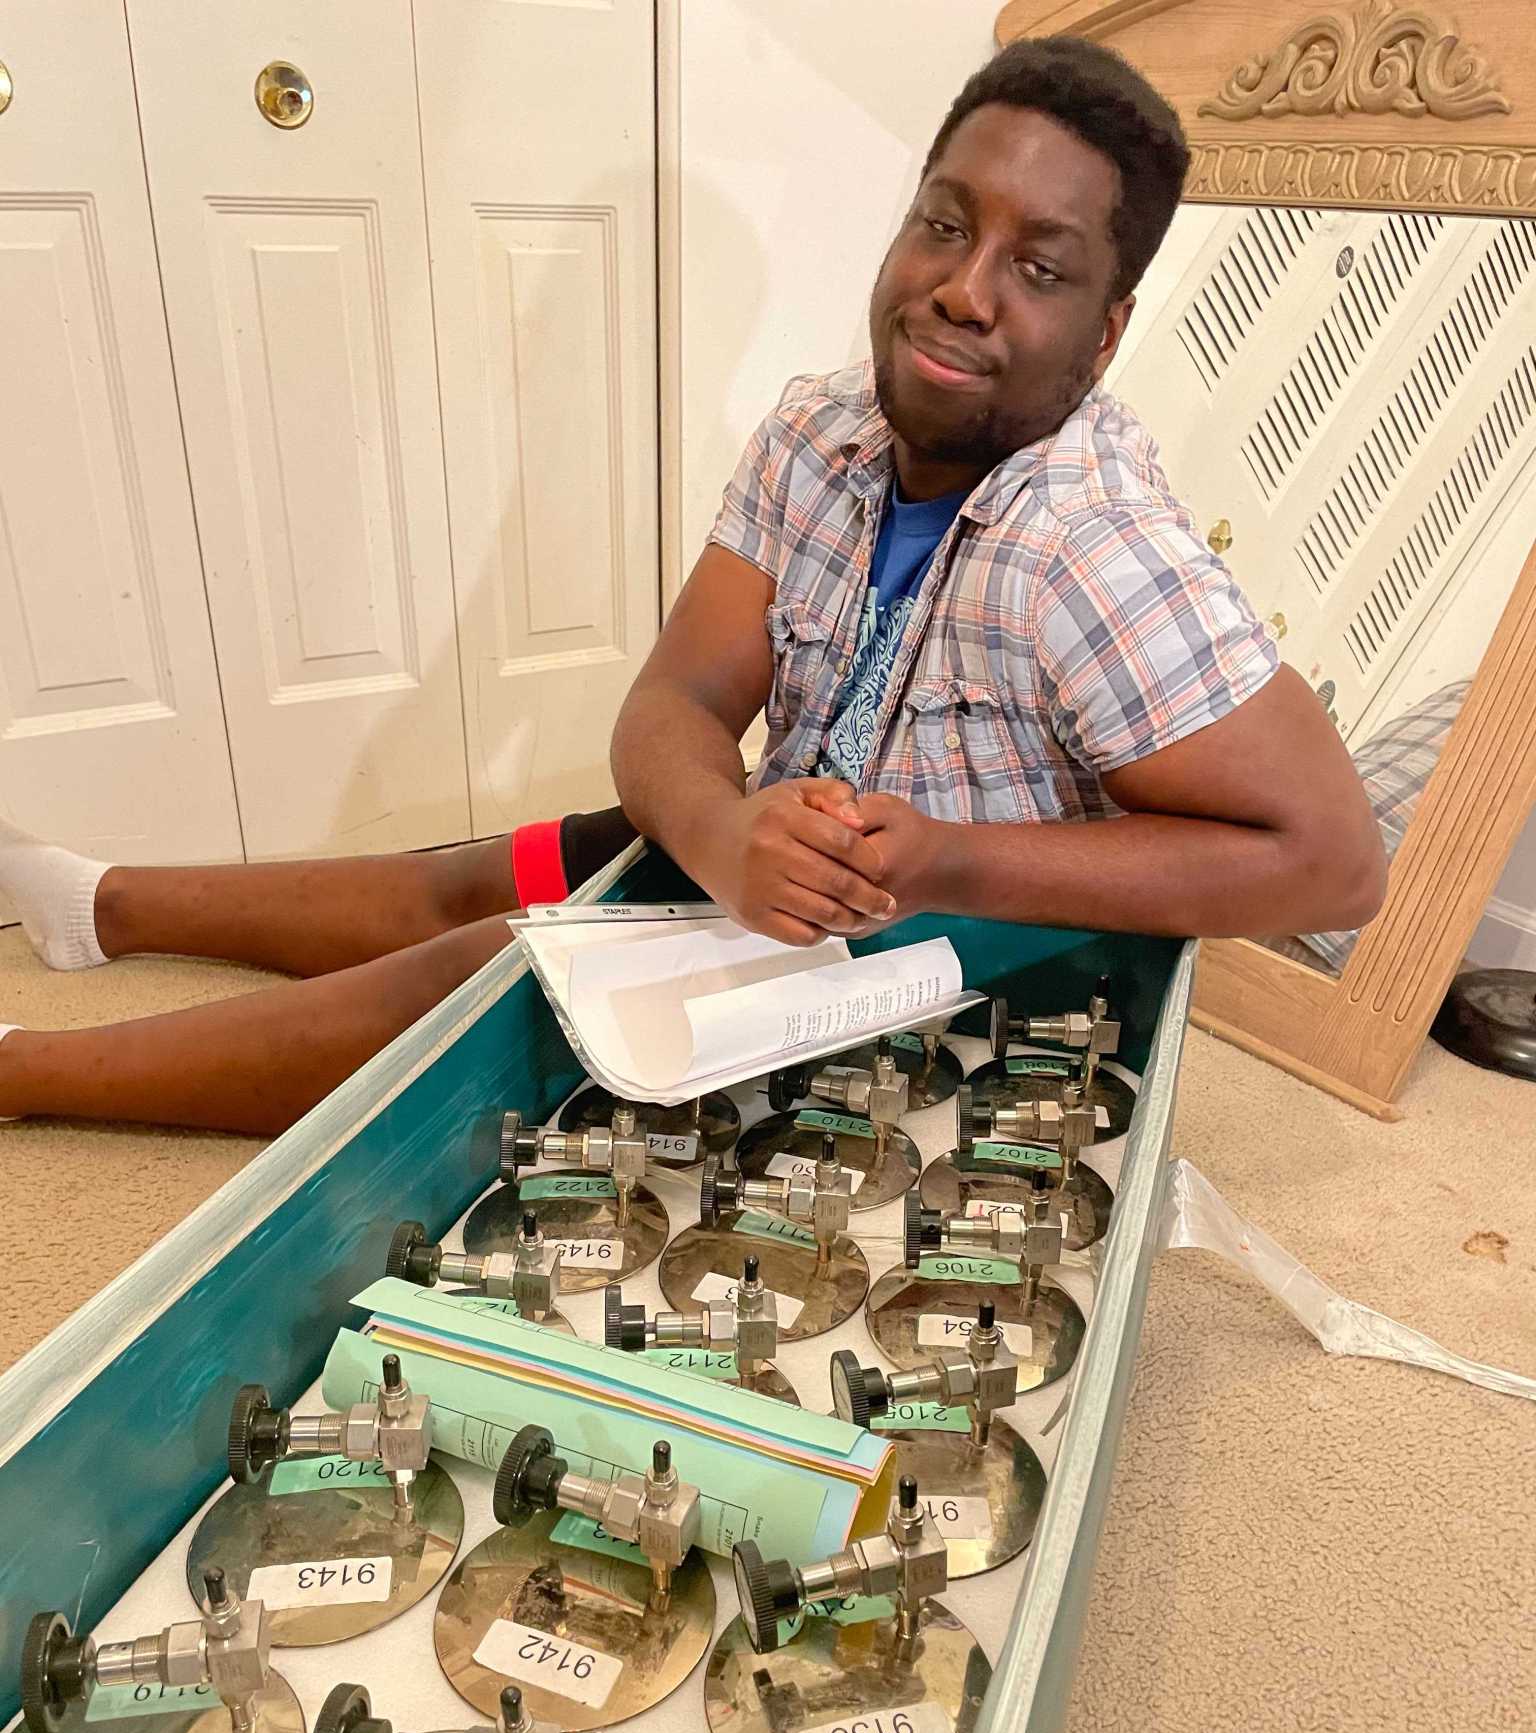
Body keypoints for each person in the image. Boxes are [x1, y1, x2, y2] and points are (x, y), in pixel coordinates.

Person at [0, 36, 1383, 1138]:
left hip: (937, 973)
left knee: (489, 972)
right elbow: (681, 692)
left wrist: (952, 857)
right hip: (770, 878)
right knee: (502, 866)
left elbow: (1334, 860)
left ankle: (28, 1076)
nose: (964, 292)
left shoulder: (1092, 547)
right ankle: (104, 905)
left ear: (1108, 330)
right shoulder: (820, 429)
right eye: (942, 226)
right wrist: (721, 836)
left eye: (1038, 268)